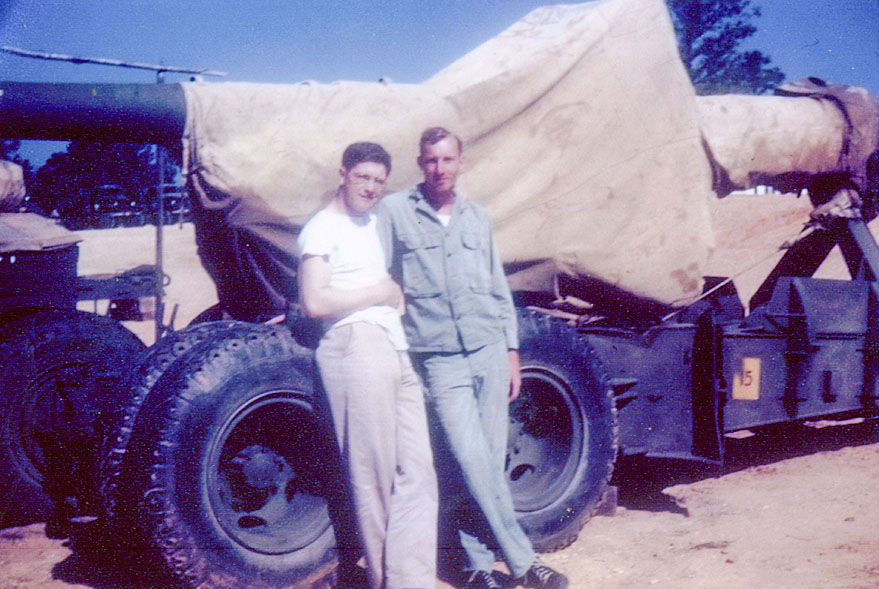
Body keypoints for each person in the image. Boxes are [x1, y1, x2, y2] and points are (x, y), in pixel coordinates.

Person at [377, 128, 568, 589]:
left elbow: (497, 288)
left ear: (461, 162)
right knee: (470, 460)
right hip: (440, 357)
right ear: (420, 163)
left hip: (486, 350)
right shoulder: (396, 213)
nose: (439, 169)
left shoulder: (476, 218)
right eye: (430, 161)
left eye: (447, 160)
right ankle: (524, 562)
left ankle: (478, 567)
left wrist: (511, 350)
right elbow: (380, 276)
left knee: (487, 461)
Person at [297, 142, 438, 589]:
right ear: (343, 174)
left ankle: (411, 579)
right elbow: (314, 301)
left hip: (392, 348)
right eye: (363, 178)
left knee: (418, 470)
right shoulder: (321, 229)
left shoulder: (372, 223)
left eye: (379, 181)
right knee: (373, 479)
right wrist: (378, 293)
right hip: (354, 347)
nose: (371, 188)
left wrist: (392, 294)